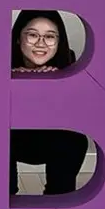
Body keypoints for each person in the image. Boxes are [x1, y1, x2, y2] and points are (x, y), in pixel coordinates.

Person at [7, 10, 89, 196]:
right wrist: (15, 78)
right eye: (33, 35)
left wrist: (52, 82)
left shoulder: (68, 62)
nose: (41, 43)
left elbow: (74, 113)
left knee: (74, 141)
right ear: (19, 38)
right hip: (10, 138)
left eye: (50, 37)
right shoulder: (2, 62)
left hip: (49, 138)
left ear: (59, 42)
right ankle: (5, 201)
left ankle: (57, 202)